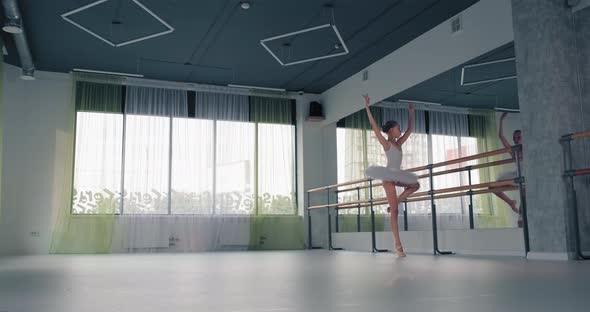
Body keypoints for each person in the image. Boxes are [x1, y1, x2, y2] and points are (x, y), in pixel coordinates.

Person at [363, 94, 420, 257]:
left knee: (415, 185)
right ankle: (398, 245)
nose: (400, 130)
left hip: (398, 175)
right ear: (390, 130)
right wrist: (367, 107)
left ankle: (395, 202)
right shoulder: (387, 143)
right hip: (388, 177)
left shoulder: (399, 142)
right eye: (397, 128)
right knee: (395, 213)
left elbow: (410, 129)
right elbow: (374, 127)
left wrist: (411, 111)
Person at [492, 112, 523, 226]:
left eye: (518, 137)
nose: (516, 139)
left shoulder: (529, 147)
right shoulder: (514, 151)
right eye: (514, 138)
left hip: (525, 176)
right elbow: (501, 137)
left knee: (524, 204)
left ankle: (521, 218)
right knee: (492, 187)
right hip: (517, 175)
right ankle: (511, 202)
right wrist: (501, 120)